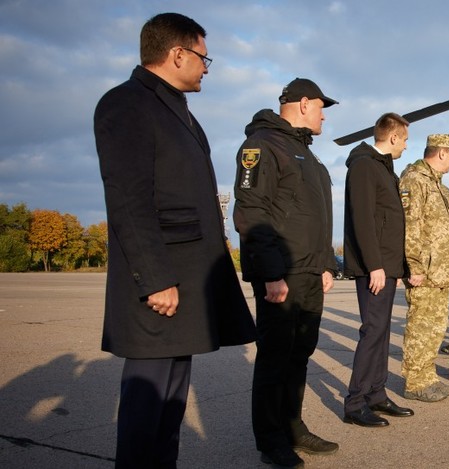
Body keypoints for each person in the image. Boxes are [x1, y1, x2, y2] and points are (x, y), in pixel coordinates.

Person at [94, 12, 257, 468]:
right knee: (148, 401)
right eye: (205, 58)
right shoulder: (125, 103)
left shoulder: (180, 112)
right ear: (177, 54)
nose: (207, 67)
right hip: (160, 279)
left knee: (171, 401)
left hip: (184, 278)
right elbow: (128, 199)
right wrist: (155, 278)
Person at [233, 77, 340, 467]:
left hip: (311, 272)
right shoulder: (262, 145)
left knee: (300, 354)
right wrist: (270, 273)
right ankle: (270, 439)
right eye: (322, 107)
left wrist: (327, 264)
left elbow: (318, 217)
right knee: (275, 356)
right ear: (305, 103)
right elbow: (251, 211)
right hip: (283, 273)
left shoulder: (308, 155)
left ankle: (293, 426)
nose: (324, 116)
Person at [342, 113, 415, 427]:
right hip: (375, 267)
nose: (406, 147)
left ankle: (376, 394)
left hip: (388, 266)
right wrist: (375, 266)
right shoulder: (364, 165)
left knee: (382, 332)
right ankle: (355, 403)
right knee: (372, 332)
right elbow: (363, 219)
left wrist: (398, 266)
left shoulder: (386, 169)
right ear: (394, 136)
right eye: (406, 140)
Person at [399, 134, 449, 402]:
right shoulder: (415, 180)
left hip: (441, 272)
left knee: (435, 329)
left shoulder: (442, 188)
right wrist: (413, 265)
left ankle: (428, 375)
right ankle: (414, 382)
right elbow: (410, 224)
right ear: (442, 152)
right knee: (420, 327)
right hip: (424, 270)